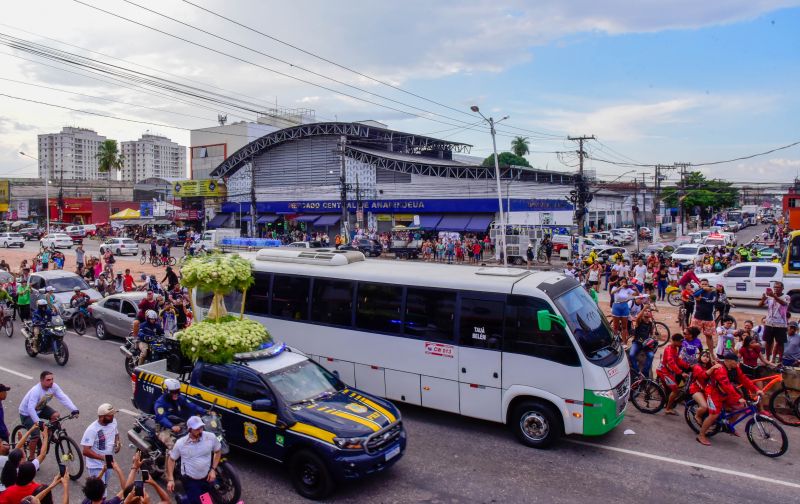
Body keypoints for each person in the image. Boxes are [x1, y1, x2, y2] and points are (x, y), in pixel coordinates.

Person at [697, 351, 763, 446]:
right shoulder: (720, 369)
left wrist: (756, 389)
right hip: (713, 392)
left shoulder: (735, 368)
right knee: (714, 415)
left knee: (741, 407)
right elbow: (726, 385)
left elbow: (744, 379)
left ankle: (728, 425)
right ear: (728, 361)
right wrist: (738, 397)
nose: (737, 363)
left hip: (726, 393)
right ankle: (701, 435)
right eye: (736, 361)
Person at [18, 371, 79, 461]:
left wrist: (74, 409)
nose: (51, 381)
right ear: (42, 381)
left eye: (52, 379)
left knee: (56, 415)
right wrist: (39, 422)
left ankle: (48, 435)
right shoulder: (36, 391)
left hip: (40, 408)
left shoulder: (53, 387)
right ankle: (31, 458)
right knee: (35, 435)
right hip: (26, 413)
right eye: (48, 380)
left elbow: (63, 397)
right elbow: (30, 408)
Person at [166, 416, 221, 504]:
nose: (200, 431)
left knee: (211, 498)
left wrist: (213, 469)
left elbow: (217, 451)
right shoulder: (181, 443)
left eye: (201, 427)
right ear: (190, 429)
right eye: (197, 429)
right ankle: (184, 500)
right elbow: (171, 459)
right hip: (191, 480)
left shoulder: (210, 437)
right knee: (199, 501)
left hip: (207, 477)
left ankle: (183, 500)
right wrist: (171, 479)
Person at [153, 379, 205, 450]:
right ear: (166, 390)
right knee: (175, 448)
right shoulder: (160, 403)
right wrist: (172, 426)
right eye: (173, 392)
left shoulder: (179, 398)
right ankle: (170, 460)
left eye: (177, 391)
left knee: (196, 435)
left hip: (178, 424)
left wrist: (205, 412)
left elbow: (192, 405)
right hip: (163, 428)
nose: (176, 394)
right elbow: (161, 418)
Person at [80, 403, 121, 485]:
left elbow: (116, 433)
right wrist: (102, 458)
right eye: (110, 415)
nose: (113, 416)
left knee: (104, 486)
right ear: (102, 417)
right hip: (96, 465)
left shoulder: (113, 422)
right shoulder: (92, 430)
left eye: (113, 414)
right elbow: (85, 451)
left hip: (109, 462)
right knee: (99, 491)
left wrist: (118, 442)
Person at [656, 333, 690, 416]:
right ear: (675, 341)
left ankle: (666, 403)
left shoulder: (675, 348)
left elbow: (677, 360)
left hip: (667, 371)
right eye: (680, 342)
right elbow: (671, 363)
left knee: (669, 389)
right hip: (663, 372)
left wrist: (688, 366)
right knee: (675, 390)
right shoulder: (669, 349)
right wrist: (681, 372)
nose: (681, 344)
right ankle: (668, 409)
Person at [758, 281, 789, 363]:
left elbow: (784, 304)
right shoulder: (770, 297)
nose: (776, 289)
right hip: (769, 323)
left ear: (782, 288)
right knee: (768, 341)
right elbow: (759, 305)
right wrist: (763, 299)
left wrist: (773, 296)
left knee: (780, 342)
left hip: (781, 324)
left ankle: (780, 360)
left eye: (778, 287)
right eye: (775, 287)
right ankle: (768, 359)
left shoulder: (786, 296)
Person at [688, 350, 719, 429]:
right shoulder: (697, 366)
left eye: (707, 357)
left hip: (706, 390)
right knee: (704, 407)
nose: (706, 358)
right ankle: (697, 415)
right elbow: (703, 375)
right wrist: (712, 368)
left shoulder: (707, 366)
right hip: (696, 389)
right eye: (704, 356)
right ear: (700, 357)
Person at [691, 279, 718, 351]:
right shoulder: (699, 291)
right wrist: (702, 289)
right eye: (702, 284)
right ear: (700, 285)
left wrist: (702, 299)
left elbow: (713, 301)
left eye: (706, 284)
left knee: (709, 336)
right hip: (697, 317)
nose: (704, 285)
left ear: (708, 285)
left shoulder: (713, 292)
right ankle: (692, 352)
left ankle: (711, 353)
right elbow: (695, 295)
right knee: (693, 336)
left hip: (709, 318)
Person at [629, 309, 656, 378]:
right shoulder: (639, 321)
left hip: (646, 345)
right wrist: (644, 308)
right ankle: (638, 372)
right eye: (645, 311)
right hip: (637, 343)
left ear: (650, 314)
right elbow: (637, 317)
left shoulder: (650, 324)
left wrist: (652, 338)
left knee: (651, 355)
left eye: (648, 311)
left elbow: (651, 334)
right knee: (631, 355)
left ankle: (645, 373)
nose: (647, 312)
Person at [610, 278, 636, 344]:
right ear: (619, 282)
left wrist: (636, 289)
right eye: (622, 282)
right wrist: (621, 287)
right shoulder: (615, 287)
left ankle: (624, 343)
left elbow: (636, 294)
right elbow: (612, 292)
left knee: (624, 327)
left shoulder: (627, 289)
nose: (624, 283)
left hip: (624, 306)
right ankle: (614, 341)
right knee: (616, 326)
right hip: (616, 306)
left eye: (625, 282)